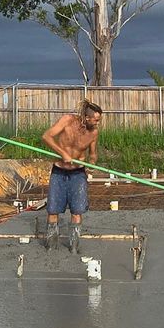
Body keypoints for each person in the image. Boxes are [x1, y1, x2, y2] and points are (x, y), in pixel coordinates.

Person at [40, 100, 102, 250]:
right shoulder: (67, 120)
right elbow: (46, 136)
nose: (98, 123)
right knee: (53, 210)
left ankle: (73, 247)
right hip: (59, 171)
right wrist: (63, 153)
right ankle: (51, 245)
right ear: (87, 118)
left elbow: (93, 154)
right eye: (96, 120)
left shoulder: (93, 132)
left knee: (77, 210)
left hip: (78, 174)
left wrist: (92, 163)